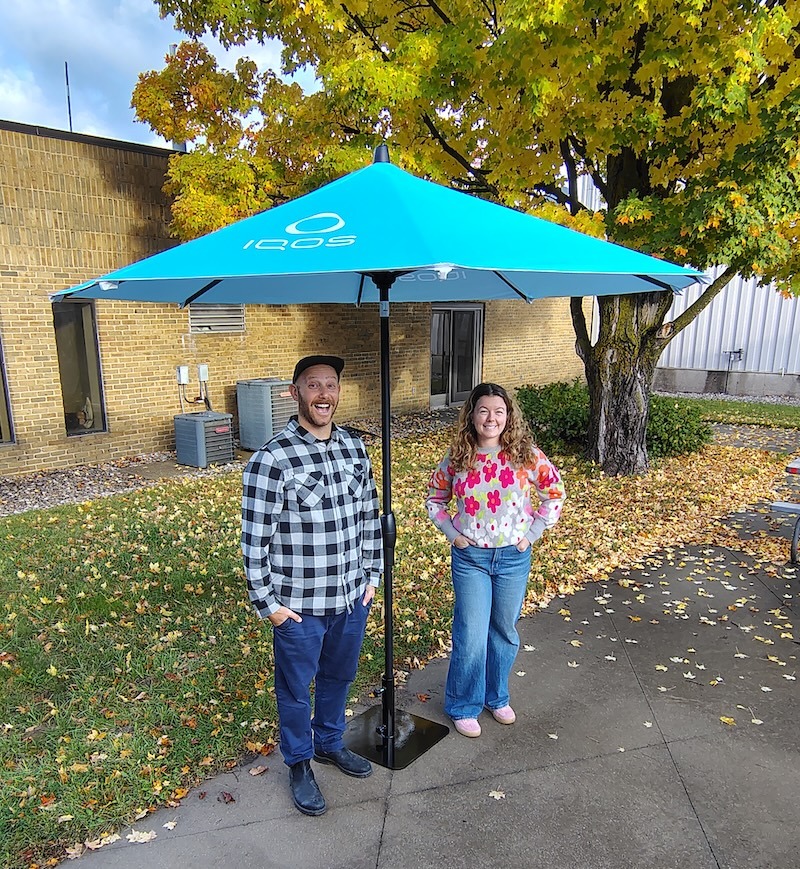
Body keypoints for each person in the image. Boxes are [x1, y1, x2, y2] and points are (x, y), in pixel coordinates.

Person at [242, 355, 383, 815]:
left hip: (350, 597)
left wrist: (372, 575)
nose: (324, 394)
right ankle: (300, 761)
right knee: (296, 689)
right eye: (313, 385)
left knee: (340, 678)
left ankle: (329, 742)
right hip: (299, 605)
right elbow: (254, 539)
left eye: (331, 384)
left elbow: (368, 518)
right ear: (295, 392)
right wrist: (270, 605)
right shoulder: (272, 458)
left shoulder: (355, 449)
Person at [425, 382, 565, 738]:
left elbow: (554, 494)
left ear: (509, 416)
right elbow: (435, 498)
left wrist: (530, 535)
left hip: (512, 559)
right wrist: (452, 533)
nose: (491, 418)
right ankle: (463, 705)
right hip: (470, 558)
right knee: (471, 633)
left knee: (503, 630)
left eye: (498, 411)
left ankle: (496, 697)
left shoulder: (525, 454)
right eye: (484, 410)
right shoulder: (459, 457)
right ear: (471, 415)